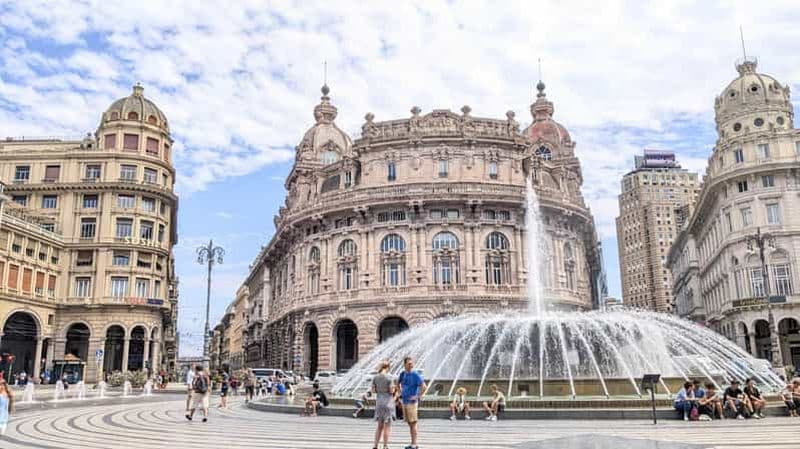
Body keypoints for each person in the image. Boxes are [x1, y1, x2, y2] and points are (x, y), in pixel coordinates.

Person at [398, 356, 426, 449]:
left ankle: (414, 444)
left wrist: (417, 396)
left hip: (412, 402)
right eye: (409, 363)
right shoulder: (403, 374)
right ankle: (413, 443)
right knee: (409, 423)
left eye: (412, 363)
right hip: (405, 401)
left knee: (413, 423)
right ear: (405, 364)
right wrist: (400, 393)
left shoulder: (415, 374)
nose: (411, 365)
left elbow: (424, 386)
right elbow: (398, 383)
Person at [371, 361, 396, 449]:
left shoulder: (375, 377)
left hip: (379, 402)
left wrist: (380, 391)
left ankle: (375, 445)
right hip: (388, 402)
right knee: (387, 425)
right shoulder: (390, 377)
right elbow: (391, 391)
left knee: (379, 426)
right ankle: (385, 446)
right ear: (388, 367)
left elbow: (373, 391)